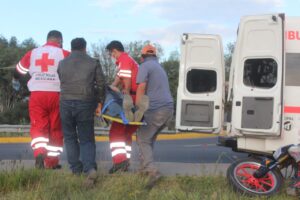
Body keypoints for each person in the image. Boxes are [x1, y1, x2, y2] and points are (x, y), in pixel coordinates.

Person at [14, 30, 70, 169]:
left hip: (37, 94)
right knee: (56, 129)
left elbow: (19, 71)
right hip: (57, 94)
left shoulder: (33, 52)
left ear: (47, 39)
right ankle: (52, 163)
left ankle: (39, 153)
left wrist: (16, 79)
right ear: (60, 41)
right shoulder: (64, 54)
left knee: (38, 126)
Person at [57, 38, 105, 185]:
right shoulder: (93, 62)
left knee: (70, 137)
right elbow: (101, 84)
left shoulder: (62, 63)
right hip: (85, 103)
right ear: (85, 48)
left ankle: (75, 169)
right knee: (86, 138)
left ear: (71, 48)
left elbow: (61, 79)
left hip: (65, 102)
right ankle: (90, 169)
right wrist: (100, 102)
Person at [105, 40, 148, 173]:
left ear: (115, 51)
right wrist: (112, 86)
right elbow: (118, 80)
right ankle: (125, 162)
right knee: (126, 133)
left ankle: (120, 161)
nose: (112, 57)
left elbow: (127, 80)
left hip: (132, 99)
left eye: (111, 54)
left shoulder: (123, 59)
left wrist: (126, 93)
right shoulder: (127, 61)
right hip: (138, 100)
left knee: (115, 132)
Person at [136, 44, 174, 189]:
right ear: (155, 55)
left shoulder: (145, 66)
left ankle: (152, 171)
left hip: (156, 109)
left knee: (142, 139)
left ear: (142, 56)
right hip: (168, 109)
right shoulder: (159, 67)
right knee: (149, 138)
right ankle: (143, 170)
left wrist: (138, 109)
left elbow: (141, 87)